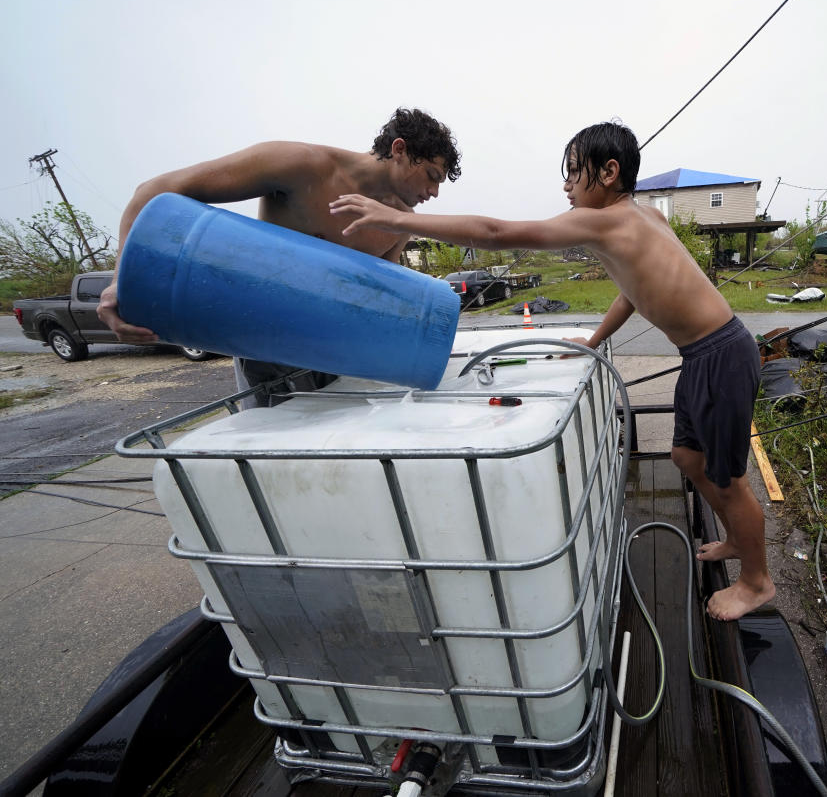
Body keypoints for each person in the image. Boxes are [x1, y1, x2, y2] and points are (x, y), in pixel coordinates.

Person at [329, 120, 774, 621]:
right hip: (704, 355)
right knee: (687, 458)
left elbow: (497, 233)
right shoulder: (645, 218)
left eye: (572, 173)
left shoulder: (606, 222)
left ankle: (757, 582)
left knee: (729, 478)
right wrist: (594, 340)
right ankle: (738, 539)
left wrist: (401, 221)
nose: (565, 186)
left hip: (719, 356)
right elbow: (635, 288)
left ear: (608, 172)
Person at [97, 107, 462, 405]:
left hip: (341, 357)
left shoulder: (399, 221)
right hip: (267, 353)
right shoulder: (300, 164)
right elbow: (156, 190)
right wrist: (118, 284)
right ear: (399, 149)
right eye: (431, 175)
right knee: (274, 459)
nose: (433, 191)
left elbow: (383, 297)